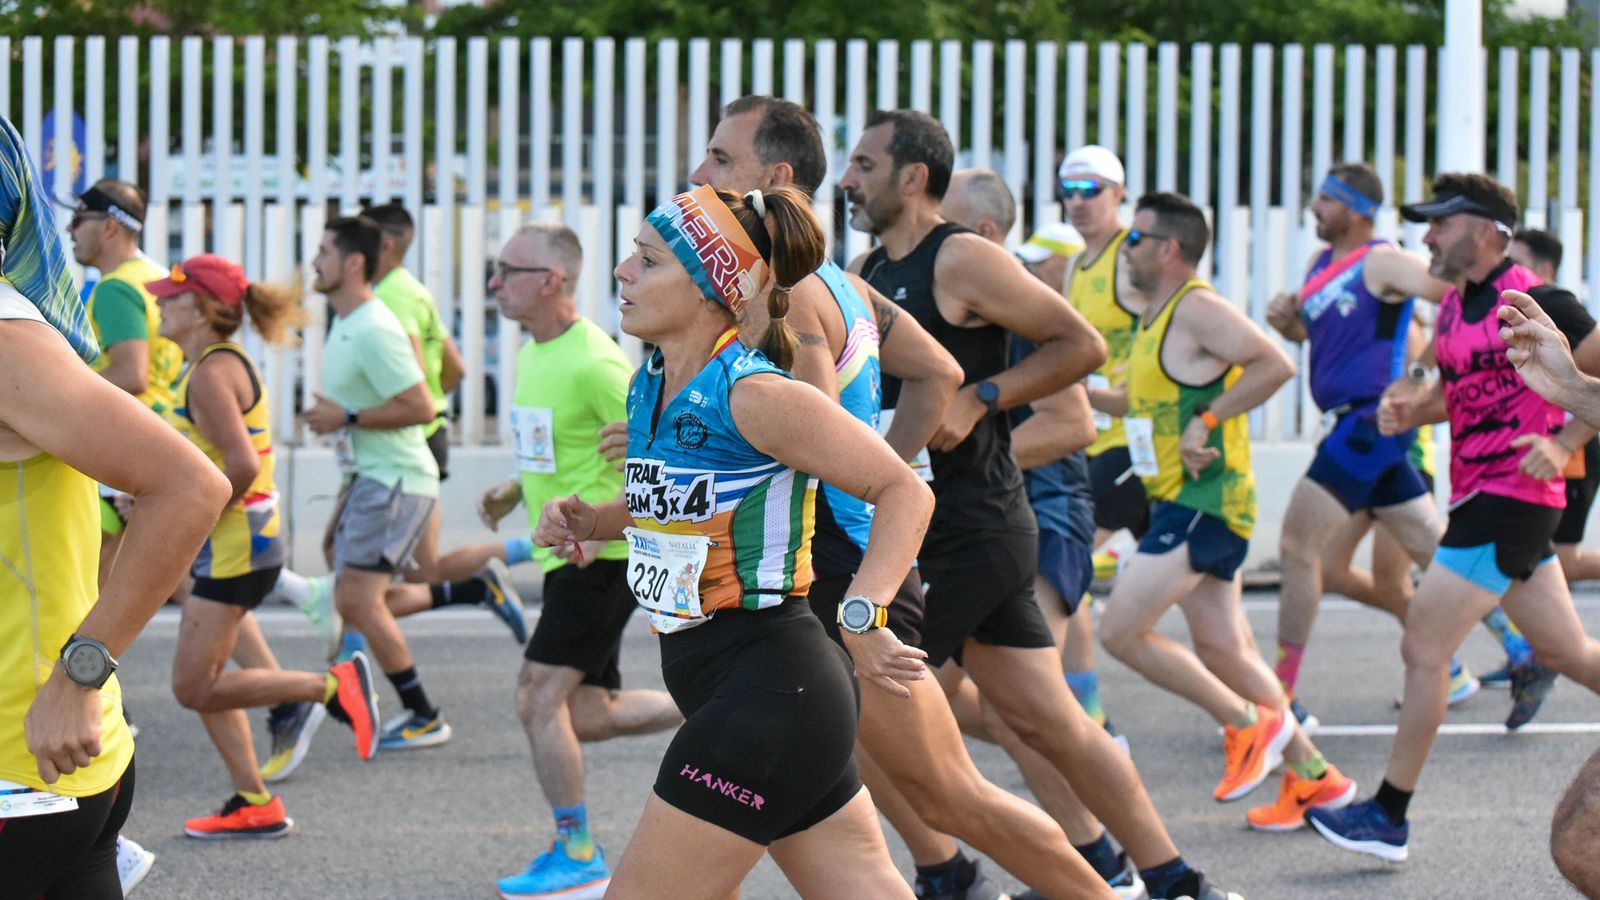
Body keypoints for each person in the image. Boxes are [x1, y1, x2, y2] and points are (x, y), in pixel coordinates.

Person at [691, 97, 1123, 900]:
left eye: (719, 159)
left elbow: (824, 424)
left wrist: (879, 479)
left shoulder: (793, 288)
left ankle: (1111, 883)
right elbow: (933, 377)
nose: (698, 174)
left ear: (773, 179)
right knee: (851, 782)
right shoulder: (843, 280)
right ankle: (952, 876)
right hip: (829, 557)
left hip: (856, 561)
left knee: (951, 788)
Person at [843, 110, 1241, 900]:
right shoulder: (868, 269)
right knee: (1047, 723)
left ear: (912, 176)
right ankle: (1171, 880)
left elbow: (1080, 347)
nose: (847, 182)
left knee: (854, 702)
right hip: (936, 526)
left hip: (971, 526)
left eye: (862, 164)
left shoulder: (959, 257)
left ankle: (946, 871)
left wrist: (983, 397)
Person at [537, 183, 932, 899]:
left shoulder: (757, 394)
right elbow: (685, 498)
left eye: (648, 261)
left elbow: (906, 491)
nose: (623, 272)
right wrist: (595, 520)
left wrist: (864, 613)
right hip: (742, 687)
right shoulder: (650, 382)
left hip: (772, 687)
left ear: (710, 286)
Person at [1309, 173, 1600, 862]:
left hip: (1511, 499)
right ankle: (1387, 815)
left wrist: (1562, 443)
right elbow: (1466, 389)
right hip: (1478, 493)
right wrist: (1415, 409)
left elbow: (1586, 381)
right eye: (1428, 223)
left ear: (1490, 230)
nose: (1429, 235)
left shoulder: (1537, 299)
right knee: (1565, 652)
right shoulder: (1457, 307)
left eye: (1442, 222)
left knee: (1424, 647)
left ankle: (1388, 815)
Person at [0, 113, 229, 899]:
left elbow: (192, 486)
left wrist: (79, 675)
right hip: (54, 769)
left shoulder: (4, 337)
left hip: (22, 769)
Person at [1090, 191, 1356, 831]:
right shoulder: (1156, 317)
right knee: (1225, 649)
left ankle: (1246, 726)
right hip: (1178, 499)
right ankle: (1316, 779)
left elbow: (1276, 363)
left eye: (1136, 239)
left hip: (1206, 500)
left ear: (1170, 248)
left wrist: (1209, 419)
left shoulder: (1198, 308)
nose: (1125, 250)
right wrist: (1067, 385)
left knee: (1120, 631)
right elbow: (1140, 401)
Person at [940, 166, 1148, 898]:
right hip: (985, 520)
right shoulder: (938, 292)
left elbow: (1076, 425)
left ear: (988, 234)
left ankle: (1120, 867)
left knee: (1018, 710)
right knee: (965, 707)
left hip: (1045, 510)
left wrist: (961, 457)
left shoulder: (1017, 303)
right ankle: (1093, 852)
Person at [467, 222, 683, 900]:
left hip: (601, 555)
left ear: (550, 281)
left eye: (507, 270)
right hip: (569, 552)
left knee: (536, 695)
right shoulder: (535, 351)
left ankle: (578, 850)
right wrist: (513, 487)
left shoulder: (597, 363)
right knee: (584, 713)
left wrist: (603, 524)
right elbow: (562, 446)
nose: (494, 283)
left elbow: (657, 458)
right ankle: (710, 702)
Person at [145, 254, 381, 838]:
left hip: (237, 546)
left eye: (170, 298)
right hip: (235, 544)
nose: (158, 305)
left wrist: (188, 510)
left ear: (201, 309)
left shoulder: (209, 372)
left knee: (192, 685)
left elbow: (243, 465)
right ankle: (254, 799)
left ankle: (329, 686)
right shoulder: (207, 363)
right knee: (205, 682)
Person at [1260, 163, 1479, 734]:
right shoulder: (1319, 266)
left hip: (1370, 421)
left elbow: (1459, 292)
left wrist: (1416, 373)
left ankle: (1280, 699)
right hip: (1347, 421)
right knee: (1435, 550)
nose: (1313, 208)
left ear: (1355, 209)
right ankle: (1525, 649)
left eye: (1325, 200)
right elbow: (1321, 336)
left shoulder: (1382, 259)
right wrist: (1289, 323)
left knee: (1297, 545)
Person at [300, 216, 451, 752]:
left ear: (353, 262)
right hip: (371, 476)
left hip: (396, 479)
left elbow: (420, 405)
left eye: (323, 252)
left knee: (360, 599)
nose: (314, 261)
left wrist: (347, 418)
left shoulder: (373, 327)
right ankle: (348, 690)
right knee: (350, 584)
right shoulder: (347, 322)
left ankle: (420, 712)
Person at [1055, 146, 1145, 734]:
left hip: (1135, 446)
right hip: (1101, 443)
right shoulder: (1077, 264)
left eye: (1092, 188)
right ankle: (1273, 713)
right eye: (1069, 188)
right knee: (1210, 604)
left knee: (1069, 567)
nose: (1079, 200)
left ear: (1119, 193)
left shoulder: (1132, 258)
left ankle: (1089, 718)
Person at [64, 179, 184, 586]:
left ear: (110, 226)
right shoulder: (156, 277)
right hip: (159, 433)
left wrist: (62, 395)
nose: (69, 230)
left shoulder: (116, 286)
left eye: (79, 219)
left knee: (85, 576)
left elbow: (132, 373)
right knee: (155, 581)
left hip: (121, 445)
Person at [1508, 228, 1600, 588]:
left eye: (1517, 262)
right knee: (1533, 565)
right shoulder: (1495, 305)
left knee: (1562, 563)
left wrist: (1564, 445)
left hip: (1571, 449)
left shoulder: (1557, 304)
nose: (1509, 270)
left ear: (1544, 268)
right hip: (1530, 452)